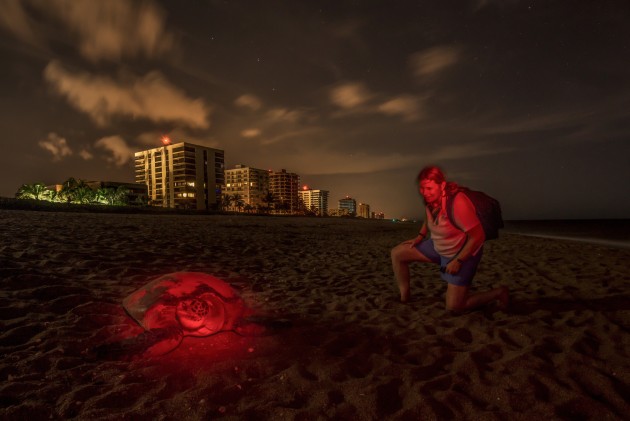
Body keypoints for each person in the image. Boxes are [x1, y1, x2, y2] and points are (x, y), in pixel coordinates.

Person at [390, 166, 509, 313]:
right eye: (422, 188)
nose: (425, 193)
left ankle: (499, 293)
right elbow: (428, 217)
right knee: (398, 254)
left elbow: (478, 236)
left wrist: (458, 261)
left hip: (461, 253)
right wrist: (420, 236)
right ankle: (405, 297)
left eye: (429, 188)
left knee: (454, 307)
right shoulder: (431, 200)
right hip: (438, 246)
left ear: (442, 185)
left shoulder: (458, 203)